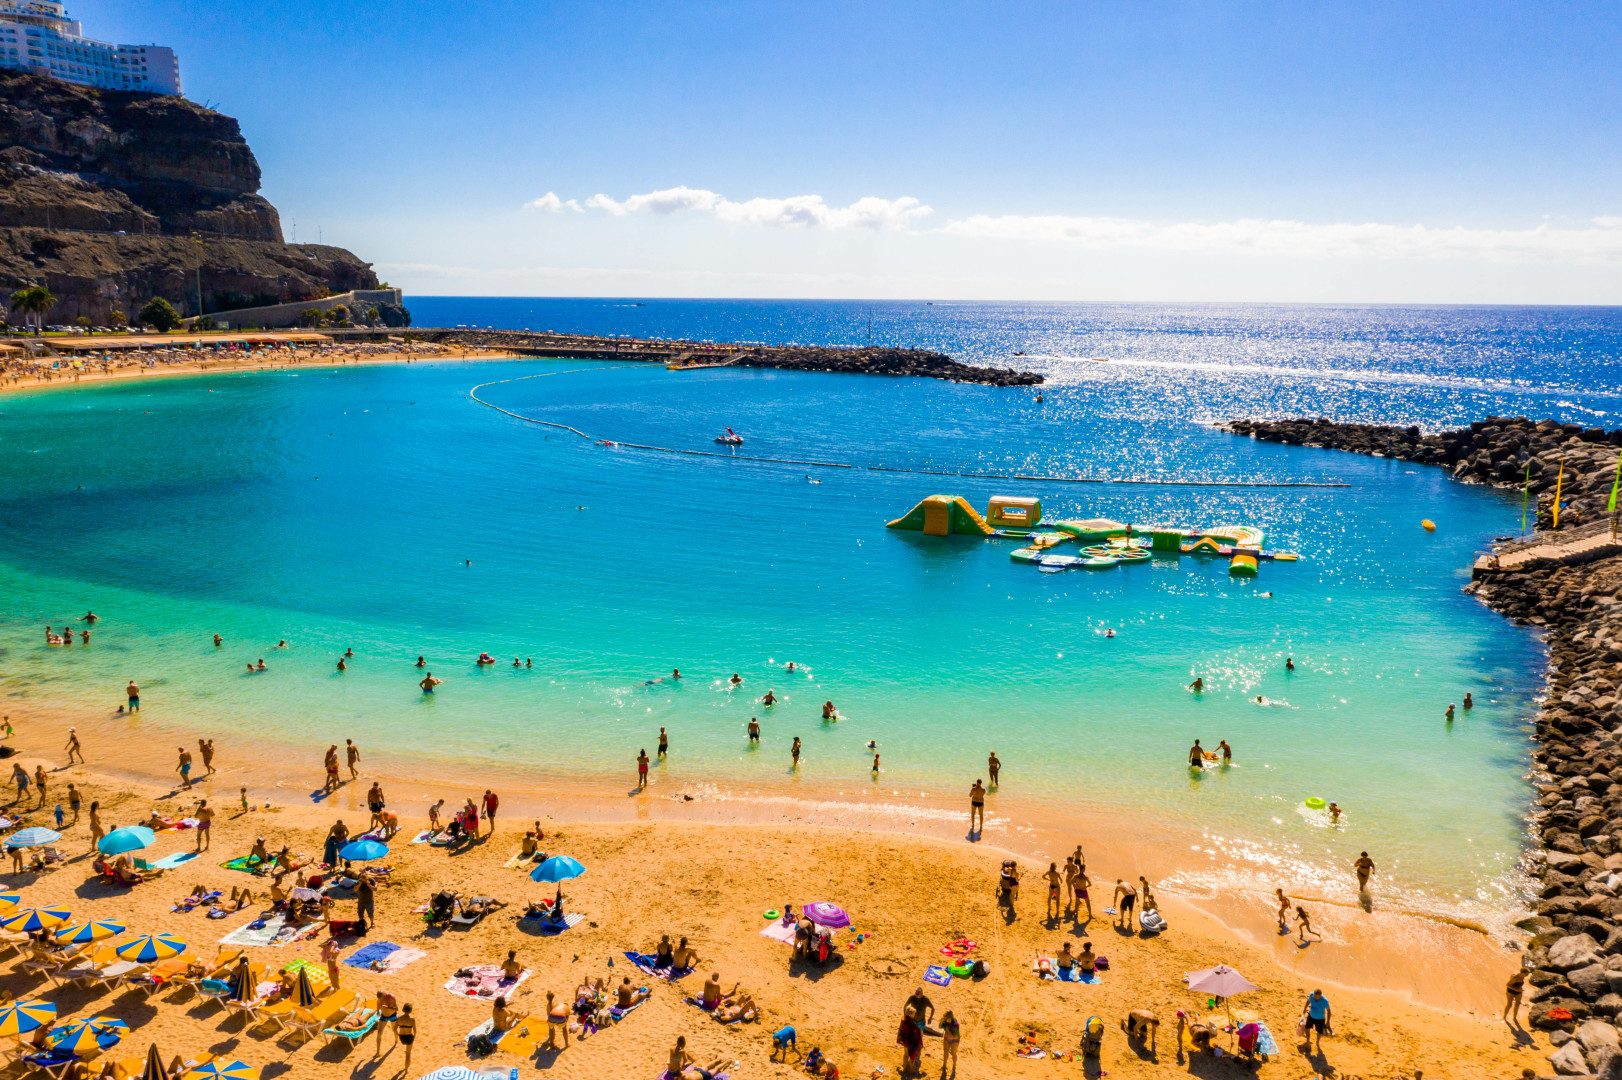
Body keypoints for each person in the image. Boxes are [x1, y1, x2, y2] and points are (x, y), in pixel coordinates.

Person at [897, 1006, 924, 1075]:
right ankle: (911, 1071)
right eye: (914, 1013)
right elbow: (916, 1032)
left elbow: (900, 1028)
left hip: (905, 1039)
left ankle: (904, 1069)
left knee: (905, 1055)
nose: (914, 1015)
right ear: (911, 1014)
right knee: (912, 1056)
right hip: (911, 1041)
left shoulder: (903, 1019)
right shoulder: (912, 1022)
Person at [374, 989, 398, 1056]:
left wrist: (387, 1007)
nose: (380, 1000)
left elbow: (396, 1009)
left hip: (392, 1015)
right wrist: (378, 1011)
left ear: (384, 995)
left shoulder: (391, 997)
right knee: (379, 1033)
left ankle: (396, 1041)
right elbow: (378, 1002)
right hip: (384, 1016)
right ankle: (378, 1052)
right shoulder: (379, 999)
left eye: (381, 998)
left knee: (394, 1030)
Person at [394, 1003, 416, 1071]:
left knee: (407, 1053)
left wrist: (398, 1035)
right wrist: (413, 1038)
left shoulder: (399, 1018)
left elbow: (394, 1029)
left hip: (402, 1037)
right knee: (408, 1053)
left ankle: (408, 1063)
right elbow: (415, 1031)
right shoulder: (412, 1019)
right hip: (409, 1036)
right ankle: (406, 1069)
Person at [941, 1009, 960, 1075]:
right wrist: (941, 1021)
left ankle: (954, 1066)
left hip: (954, 1040)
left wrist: (948, 1033)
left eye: (946, 1018)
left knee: (953, 1053)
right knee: (945, 1051)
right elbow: (940, 1026)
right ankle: (944, 1066)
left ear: (950, 1018)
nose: (945, 1019)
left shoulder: (955, 1024)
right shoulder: (946, 1022)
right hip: (947, 1038)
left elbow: (955, 1036)